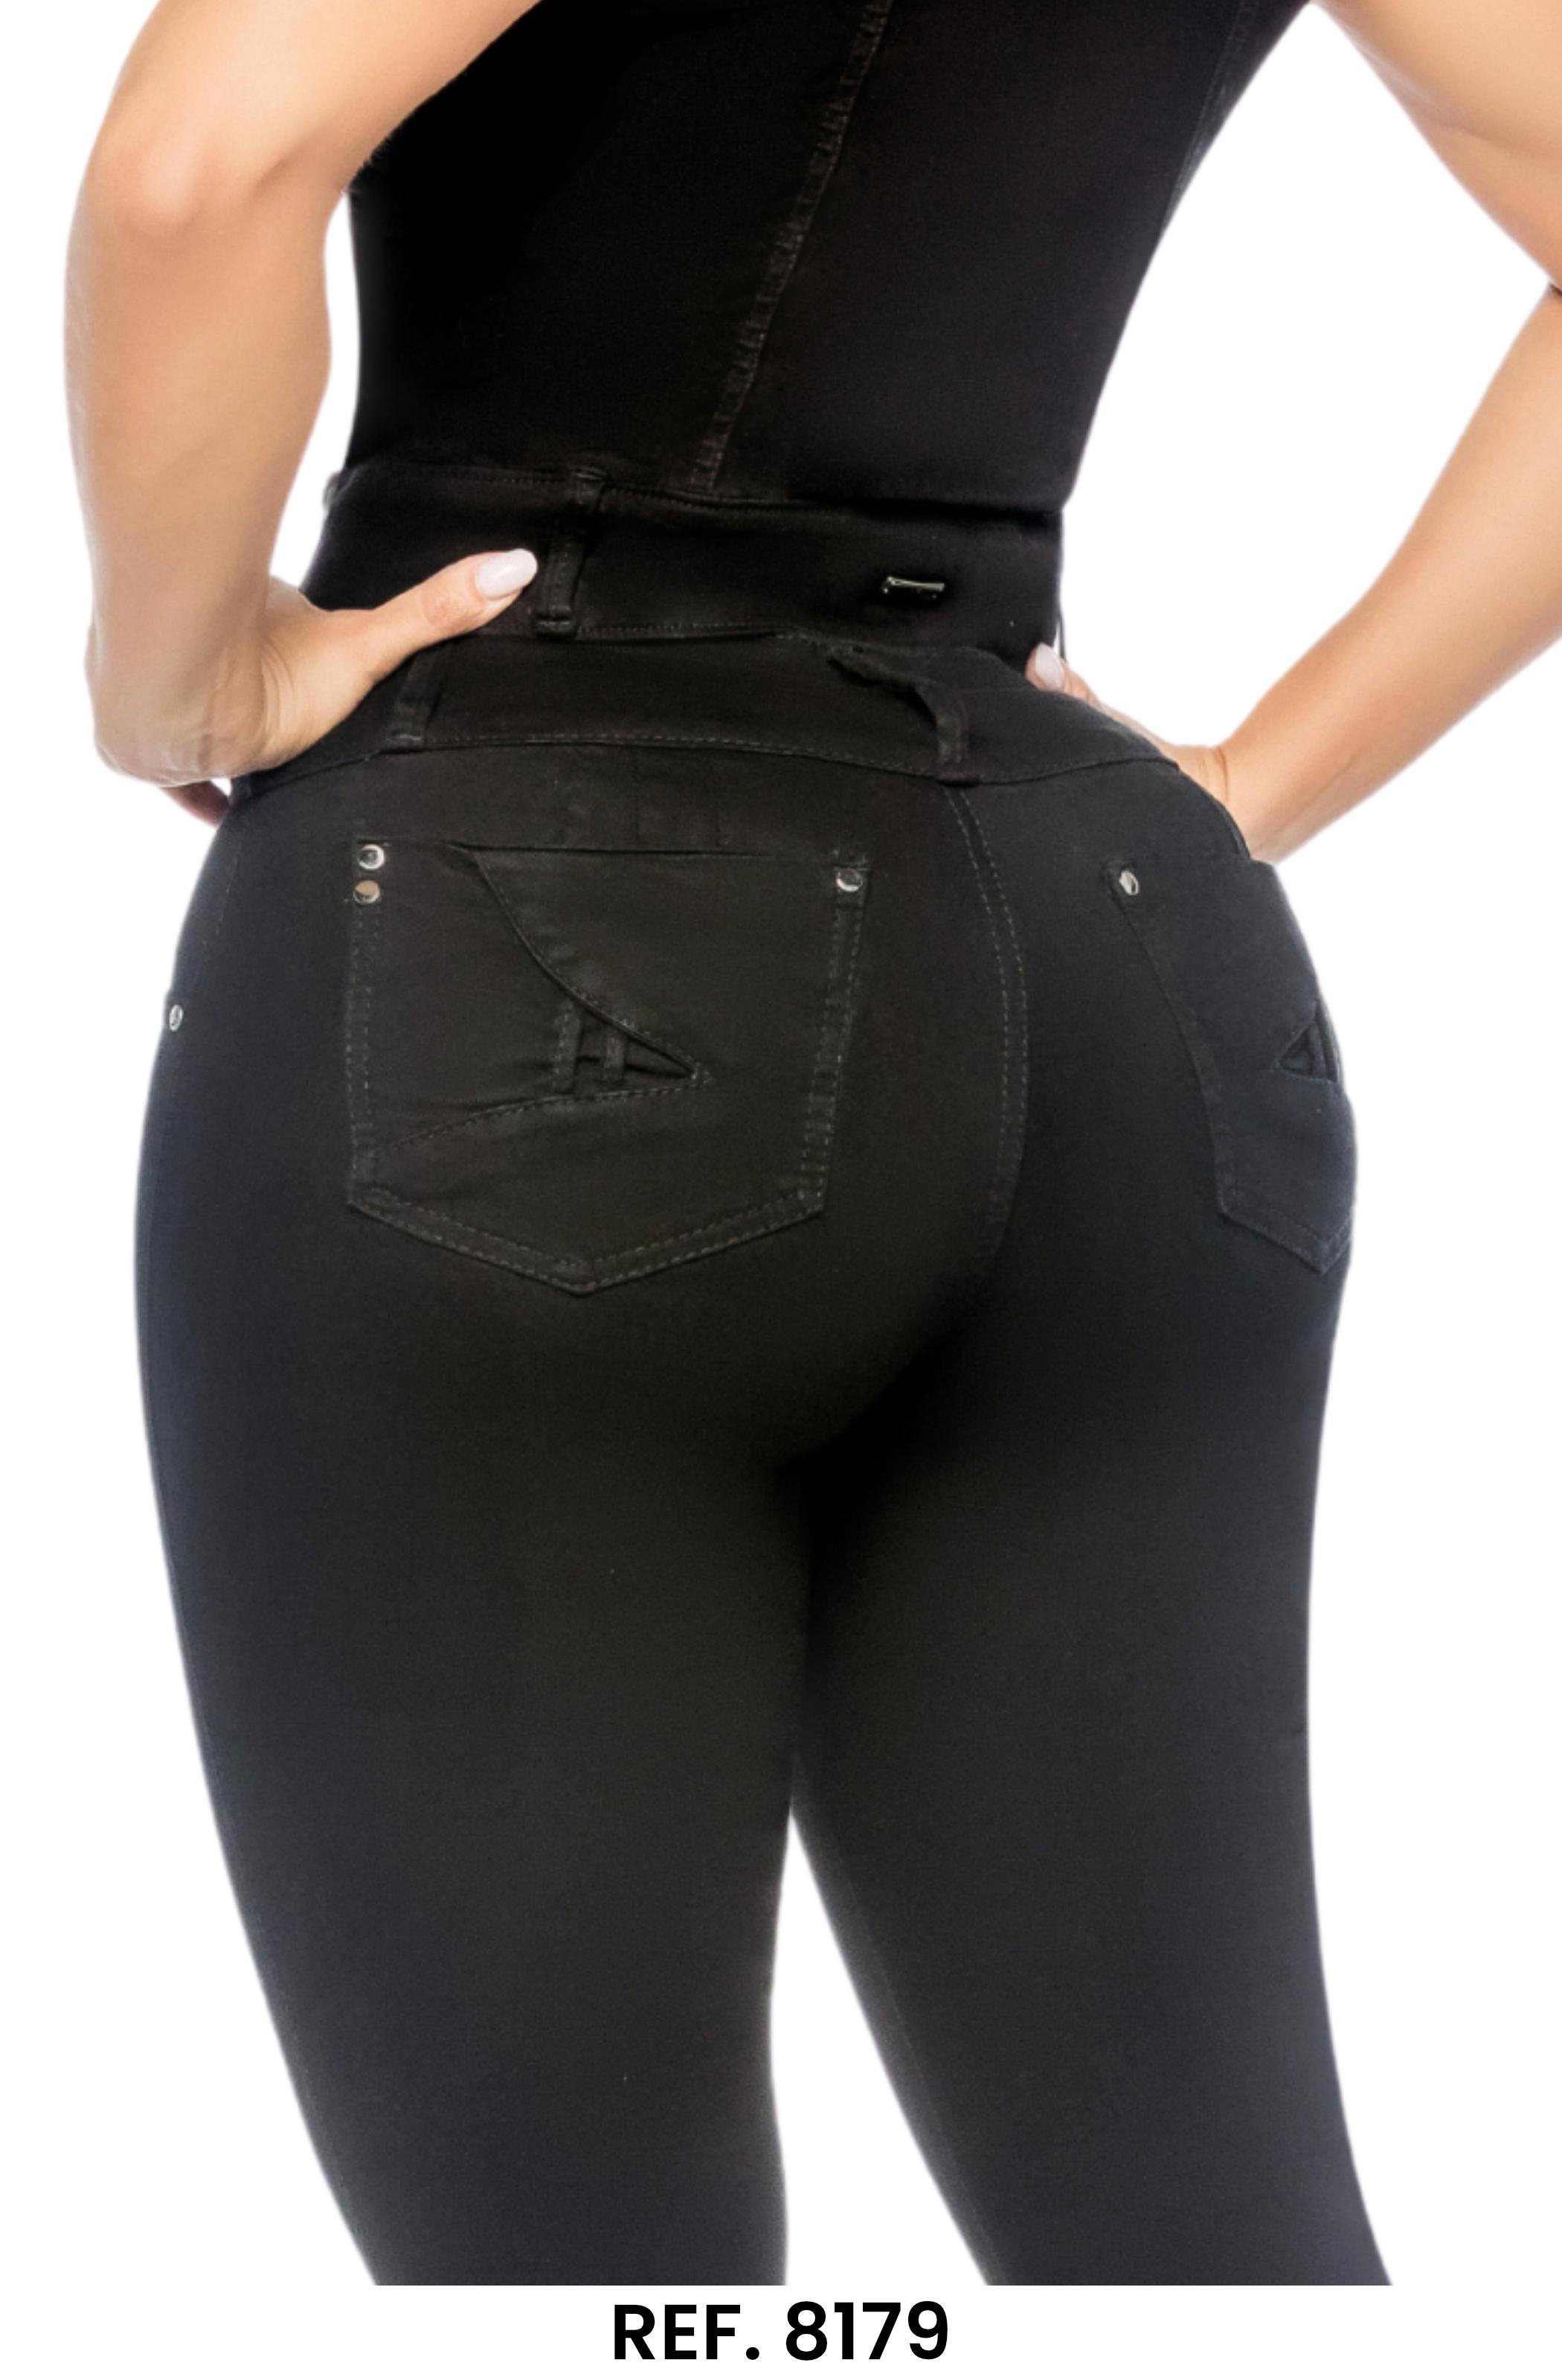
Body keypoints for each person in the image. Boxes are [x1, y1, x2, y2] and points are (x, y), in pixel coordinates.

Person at [65, 0, 1562, 2286]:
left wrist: (174, 673)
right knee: (1198, 2256)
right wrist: (1249, 790)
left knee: (567, 2287)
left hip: (524, 917)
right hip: (1107, 944)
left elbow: (199, 166)